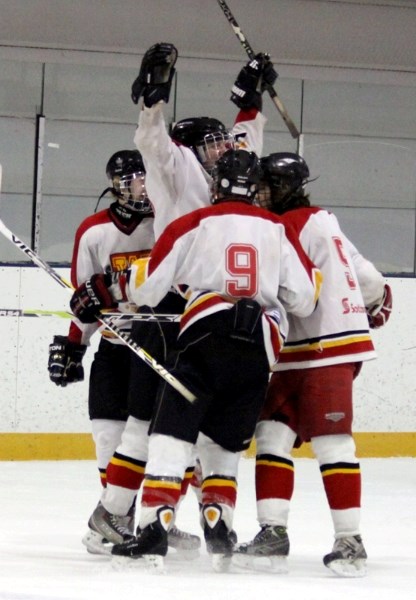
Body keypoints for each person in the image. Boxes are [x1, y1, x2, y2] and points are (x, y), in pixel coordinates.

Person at [69, 148, 323, 573]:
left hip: (205, 336)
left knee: (171, 430)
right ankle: (219, 521)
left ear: (216, 184)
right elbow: (305, 297)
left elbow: (147, 286)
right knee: (225, 440)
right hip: (258, 345)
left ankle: (153, 526)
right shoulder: (278, 228)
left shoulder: (194, 222)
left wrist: (109, 287)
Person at [232, 152, 393, 577]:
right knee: (271, 435)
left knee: (331, 441)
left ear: (283, 188)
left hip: (327, 347)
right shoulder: (324, 218)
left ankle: (349, 539)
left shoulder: (286, 225)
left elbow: (284, 285)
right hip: (298, 352)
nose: (258, 193)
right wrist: (375, 302)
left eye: (264, 185)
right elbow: (368, 276)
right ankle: (273, 532)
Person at [47, 149, 199, 556]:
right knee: (109, 439)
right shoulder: (95, 232)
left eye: (147, 178)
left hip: (160, 343)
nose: (144, 187)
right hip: (116, 349)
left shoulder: (166, 224)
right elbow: (85, 300)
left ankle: (158, 520)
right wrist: (74, 344)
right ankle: (117, 520)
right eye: (135, 179)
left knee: (165, 441)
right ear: (117, 185)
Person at [130, 42, 277, 238]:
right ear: (189, 151)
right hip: (179, 265)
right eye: (212, 145)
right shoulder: (176, 172)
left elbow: (245, 144)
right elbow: (152, 141)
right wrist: (151, 102)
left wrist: (252, 95)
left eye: (222, 142)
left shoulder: (227, 169)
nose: (224, 149)